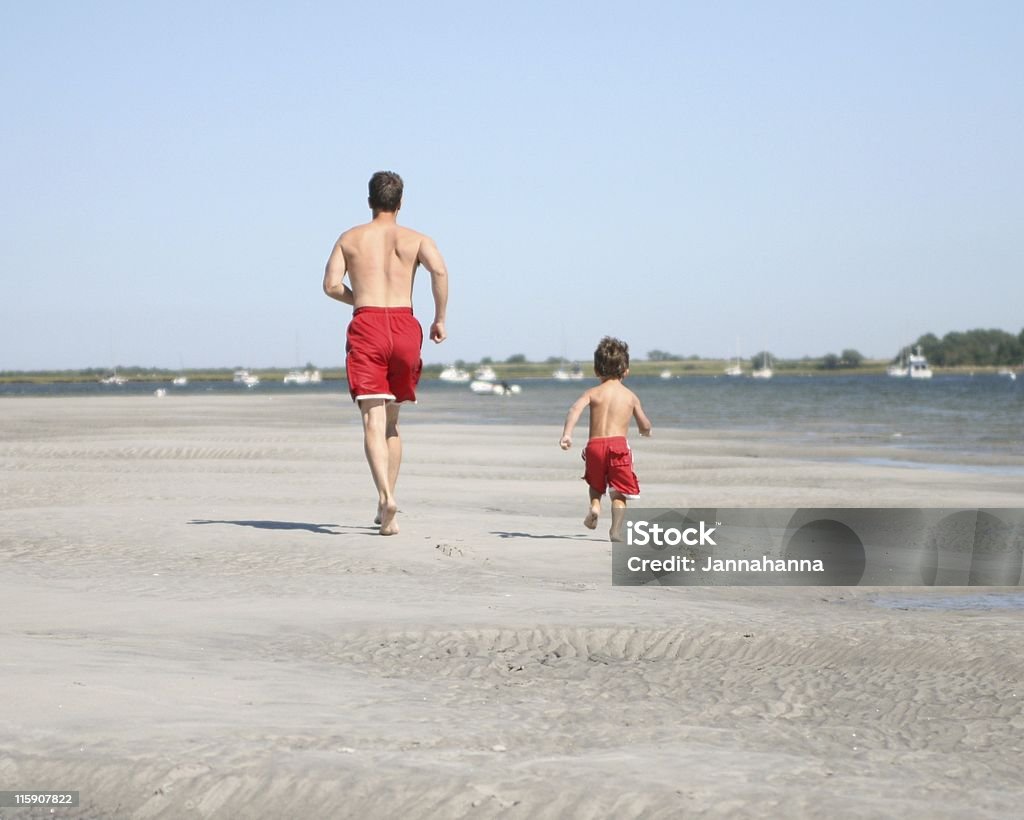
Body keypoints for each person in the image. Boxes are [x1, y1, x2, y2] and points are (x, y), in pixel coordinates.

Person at [322, 171, 448, 535]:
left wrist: (358, 298)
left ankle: (385, 496)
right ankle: (386, 502)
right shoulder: (417, 239)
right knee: (392, 423)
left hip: (369, 325)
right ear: (401, 202)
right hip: (406, 326)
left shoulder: (350, 238)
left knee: (371, 421)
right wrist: (440, 318)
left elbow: (330, 285)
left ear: (369, 200)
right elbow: (439, 271)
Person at [559, 337, 652, 541]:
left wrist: (567, 434)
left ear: (596, 370)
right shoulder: (630, 396)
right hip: (618, 447)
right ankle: (615, 531)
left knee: (596, 483)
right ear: (626, 370)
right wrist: (646, 430)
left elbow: (574, 409)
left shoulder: (593, 392)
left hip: (594, 446)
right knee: (619, 492)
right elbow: (644, 423)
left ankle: (595, 506)